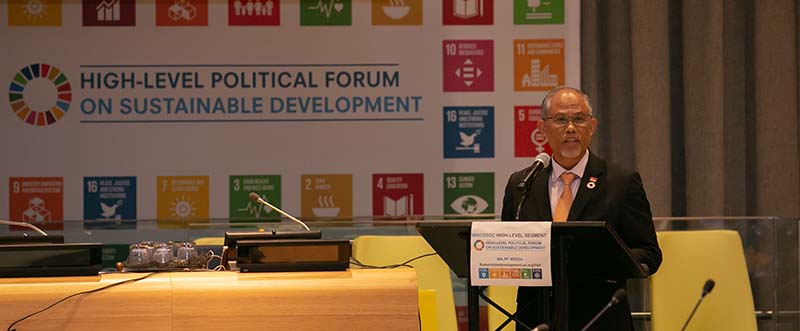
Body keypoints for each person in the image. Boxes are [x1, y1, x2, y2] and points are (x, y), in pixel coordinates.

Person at [501, 86, 662, 331]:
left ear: (592, 126)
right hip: (535, 319)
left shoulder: (620, 182)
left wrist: (606, 259)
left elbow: (649, 252)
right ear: (543, 128)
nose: (570, 128)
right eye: (561, 120)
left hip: (601, 318)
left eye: (579, 119)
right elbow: (508, 248)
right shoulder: (522, 184)